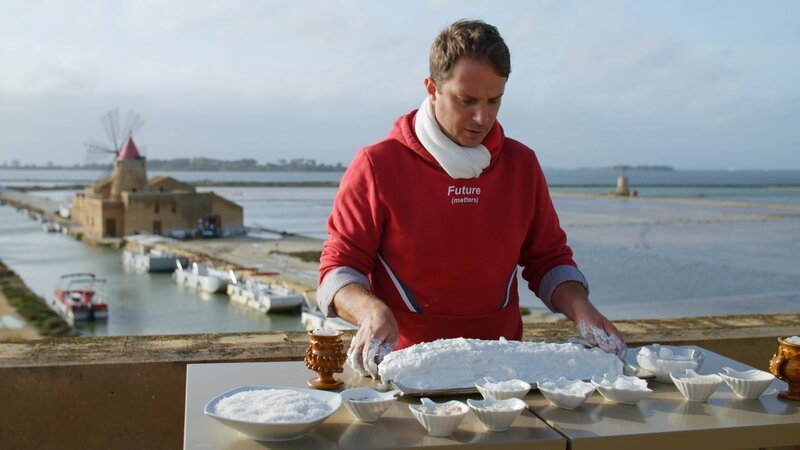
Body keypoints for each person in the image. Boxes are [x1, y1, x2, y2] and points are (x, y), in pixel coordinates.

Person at [317, 19, 626, 377]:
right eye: (466, 101)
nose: (482, 117)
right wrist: (369, 311)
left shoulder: (521, 165)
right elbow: (337, 270)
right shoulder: (376, 165)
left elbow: (548, 258)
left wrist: (581, 308)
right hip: (406, 367)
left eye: (494, 100)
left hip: (504, 369)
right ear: (432, 89)